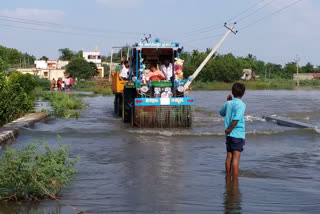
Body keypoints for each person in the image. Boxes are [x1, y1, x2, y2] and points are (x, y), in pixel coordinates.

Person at [219, 82, 246, 177]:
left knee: (229, 155)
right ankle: (234, 178)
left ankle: (228, 175)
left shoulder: (228, 103)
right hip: (237, 133)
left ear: (232, 92)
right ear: (243, 93)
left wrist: (227, 101)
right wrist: (230, 129)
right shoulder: (241, 105)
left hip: (229, 135)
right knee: (236, 157)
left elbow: (221, 113)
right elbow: (236, 118)